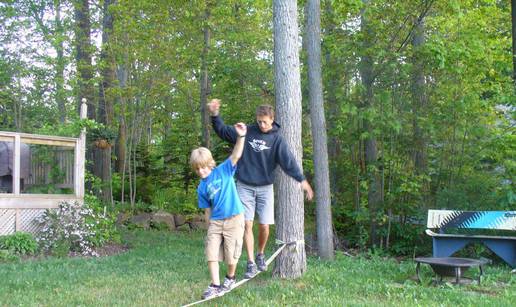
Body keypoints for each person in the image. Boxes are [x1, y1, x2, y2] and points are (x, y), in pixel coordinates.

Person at [207, 99, 314, 279]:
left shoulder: (277, 139)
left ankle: (260, 253)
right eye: (259, 121)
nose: (261, 124)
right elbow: (224, 132)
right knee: (246, 224)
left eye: (265, 121)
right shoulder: (247, 132)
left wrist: (301, 180)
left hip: (265, 187)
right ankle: (250, 262)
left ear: (272, 119)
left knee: (264, 225)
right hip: (244, 185)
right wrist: (215, 115)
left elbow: (288, 161)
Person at [190, 122, 247, 299]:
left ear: (210, 163)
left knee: (231, 254)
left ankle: (230, 277)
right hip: (216, 221)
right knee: (211, 251)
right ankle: (215, 285)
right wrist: (209, 229)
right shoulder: (201, 187)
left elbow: (236, 154)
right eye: (197, 168)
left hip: (234, 218)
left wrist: (241, 136)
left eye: (204, 167)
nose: (201, 171)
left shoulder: (223, 170)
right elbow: (207, 210)